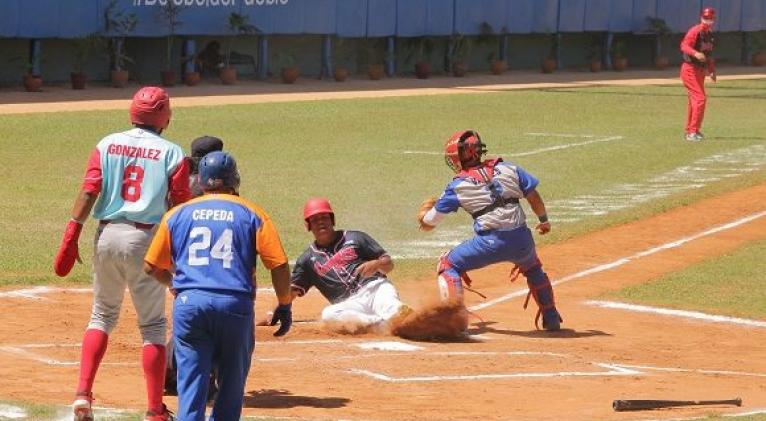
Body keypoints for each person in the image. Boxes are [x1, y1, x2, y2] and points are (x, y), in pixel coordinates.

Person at [53, 86, 191, 421]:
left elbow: (89, 191)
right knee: (154, 326)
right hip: (146, 241)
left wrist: (71, 233)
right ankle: (155, 410)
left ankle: (82, 395)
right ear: (165, 117)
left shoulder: (107, 143)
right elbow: (179, 206)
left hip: (107, 235)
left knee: (101, 316)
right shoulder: (173, 153)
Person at [144, 151, 293, 421]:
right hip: (235, 306)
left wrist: (174, 284)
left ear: (201, 182)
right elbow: (280, 266)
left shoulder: (177, 214)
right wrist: (284, 304)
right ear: (234, 180)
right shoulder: (253, 213)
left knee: (191, 385)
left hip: (190, 306)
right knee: (231, 386)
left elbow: (150, 266)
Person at [417, 130, 563, 331]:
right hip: (522, 240)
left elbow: (430, 222)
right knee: (533, 268)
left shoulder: (458, 185)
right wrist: (544, 221)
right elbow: (534, 196)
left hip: (490, 243)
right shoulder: (509, 168)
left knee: (447, 264)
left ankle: (454, 322)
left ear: (462, 156)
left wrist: (424, 215)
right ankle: (552, 317)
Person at [289, 198, 411, 331]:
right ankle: (380, 323)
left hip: (376, 289)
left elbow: (389, 264)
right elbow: (291, 292)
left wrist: (377, 263)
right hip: (351, 305)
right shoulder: (307, 260)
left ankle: (406, 319)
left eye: (324, 217)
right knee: (329, 315)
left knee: (394, 308)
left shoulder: (356, 237)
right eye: (314, 219)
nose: (320, 222)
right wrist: (274, 312)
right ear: (308, 226)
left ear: (332, 220)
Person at [163, 135, 224, 398]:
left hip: (178, 256)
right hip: (207, 261)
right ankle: (205, 378)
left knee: (185, 317)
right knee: (211, 322)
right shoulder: (216, 186)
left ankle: (169, 373)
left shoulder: (178, 180)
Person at [680, 7, 717, 142]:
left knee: (694, 101)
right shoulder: (695, 31)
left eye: (710, 19)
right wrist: (695, 53)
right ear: (701, 18)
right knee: (700, 99)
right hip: (690, 69)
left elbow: (709, 55)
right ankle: (692, 132)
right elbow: (684, 45)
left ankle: (692, 130)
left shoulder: (710, 35)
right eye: (705, 18)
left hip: (700, 70)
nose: (708, 21)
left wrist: (712, 70)